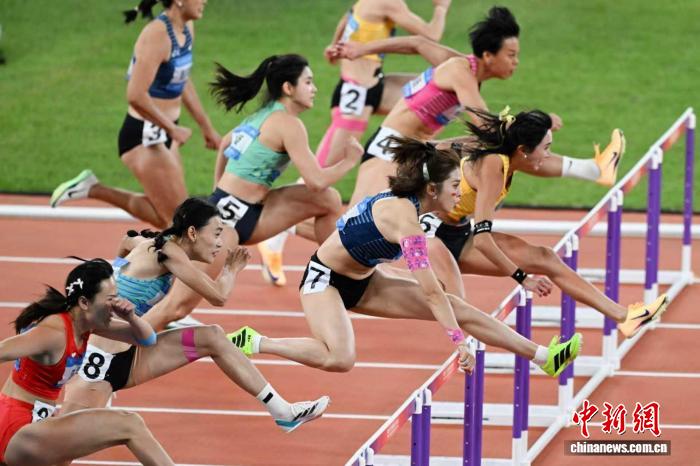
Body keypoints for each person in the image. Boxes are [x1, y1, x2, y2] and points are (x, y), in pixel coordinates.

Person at [230, 137, 582, 378]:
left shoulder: (419, 205)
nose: (460, 193)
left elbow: (435, 148)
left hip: (366, 279)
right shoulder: (406, 223)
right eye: (455, 186)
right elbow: (430, 291)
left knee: (456, 307)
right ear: (432, 189)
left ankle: (544, 357)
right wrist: (458, 342)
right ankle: (256, 341)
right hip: (325, 281)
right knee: (340, 358)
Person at [58, 198, 329, 443]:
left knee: (213, 337)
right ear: (192, 233)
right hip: (100, 363)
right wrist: (231, 269)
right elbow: (218, 297)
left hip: (130, 353)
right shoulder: (170, 253)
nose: (220, 243)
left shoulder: (151, 245)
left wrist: (115, 271)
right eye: (217, 234)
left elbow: (127, 239)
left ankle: (283, 412)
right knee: (60, 447)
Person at [332, 6, 625, 208]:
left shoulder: (459, 65)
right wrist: (539, 120)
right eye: (511, 55)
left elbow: (418, 43)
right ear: (488, 55)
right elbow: (486, 125)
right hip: (390, 150)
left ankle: (593, 170)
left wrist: (362, 49)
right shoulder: (461, 72)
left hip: (422, 150)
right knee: (353, 229)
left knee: (509, 147)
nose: (516, 62)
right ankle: (300, 223)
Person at [146, 53, 362, 323]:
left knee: (328, 200)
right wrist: (350, 161)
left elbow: (225, 144)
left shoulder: (262, 115)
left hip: (241, 210)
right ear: (288, 87)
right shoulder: (288, 124)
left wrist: (217, 193)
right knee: (176, 307)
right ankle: (124, 342)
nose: (314, 89)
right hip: (224, 225)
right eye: (308, 82)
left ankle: (340, 272)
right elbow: (315, 181)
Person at [419, 107, 668, 337]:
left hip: (457, 228)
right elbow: (483, 240)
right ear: (523, 150)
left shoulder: (502, 151)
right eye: (546, 148)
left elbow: (442, 147)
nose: (548, 155)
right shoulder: (493, 165)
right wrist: (522, 278)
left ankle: (626, 317)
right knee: (459, 312)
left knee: (546, 258)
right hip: (438, 238)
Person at [258, 0, 453, 284]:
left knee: (436, 89)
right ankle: (281, 227)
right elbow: (430, 36)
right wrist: (441, 8)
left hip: (373, 84)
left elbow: (347, 16)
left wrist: (334, 44)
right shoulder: (389, 3)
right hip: (357, 95)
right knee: (320, 172)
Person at [50, 0, 221, 229]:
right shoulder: (157, 35)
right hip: (146, 134)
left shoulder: (187, 28)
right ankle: (93, 189)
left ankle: (92, 188)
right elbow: (135, 95)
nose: (205, 1)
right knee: (181, 223)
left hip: (164, 130)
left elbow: (181, 79)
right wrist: (171, 129)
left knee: (166, 217)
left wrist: (205, 126)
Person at [0, 259, 175, 465]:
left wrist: (131, 317)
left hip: (36, 425)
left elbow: (147, 339)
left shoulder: (86, 325)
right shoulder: (53, 333)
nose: (115, 305)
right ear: (84, 302)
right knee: (130, 424)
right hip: (16, 427)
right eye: (110, 299)